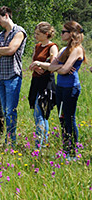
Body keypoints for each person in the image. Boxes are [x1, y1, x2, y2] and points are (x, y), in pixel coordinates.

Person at [48, 21, 86, 158]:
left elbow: (63, 69)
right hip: (60, 87)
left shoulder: (77, 49)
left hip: (71, 88)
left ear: (72, 34)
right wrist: (60, 68)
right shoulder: (64, 50)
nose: (61, 34)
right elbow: (52, 68)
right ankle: (66, 150)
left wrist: (60, 67)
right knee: (62, 118)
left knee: (70, 118)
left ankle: (73, 152)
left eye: (64, 32)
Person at [0, 6, 27, 147]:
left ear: (6, 15)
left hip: (13, 75)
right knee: (5, 110)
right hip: (1, 76)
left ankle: (12, 142)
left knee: (10, 111)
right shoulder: (0, 35)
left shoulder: (19, 31)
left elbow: (12, 50)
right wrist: (1, 51)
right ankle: (7, 139)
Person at [28, 22, 58, 149]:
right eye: (35, 33)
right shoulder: (37, 46)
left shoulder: (52, 47)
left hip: (46, 83)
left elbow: (53, 65)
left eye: (38, 34)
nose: (35, 36)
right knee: (40, 113)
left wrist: (39, 64)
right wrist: (35, 67)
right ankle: (43, 144)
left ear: (46, 34)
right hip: (36, 81)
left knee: (40, 113)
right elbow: (33, 64)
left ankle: (38, 146)